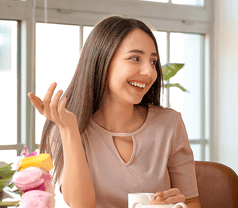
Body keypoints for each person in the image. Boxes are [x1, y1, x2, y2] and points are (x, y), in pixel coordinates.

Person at [28, 16, 201, 208]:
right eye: (135, 58)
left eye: (153, 61)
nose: (150, 72)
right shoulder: (65, 127)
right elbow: (81, 205)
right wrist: (69, 130)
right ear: (101, 61)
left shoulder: (169, 124)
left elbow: (191, 203)